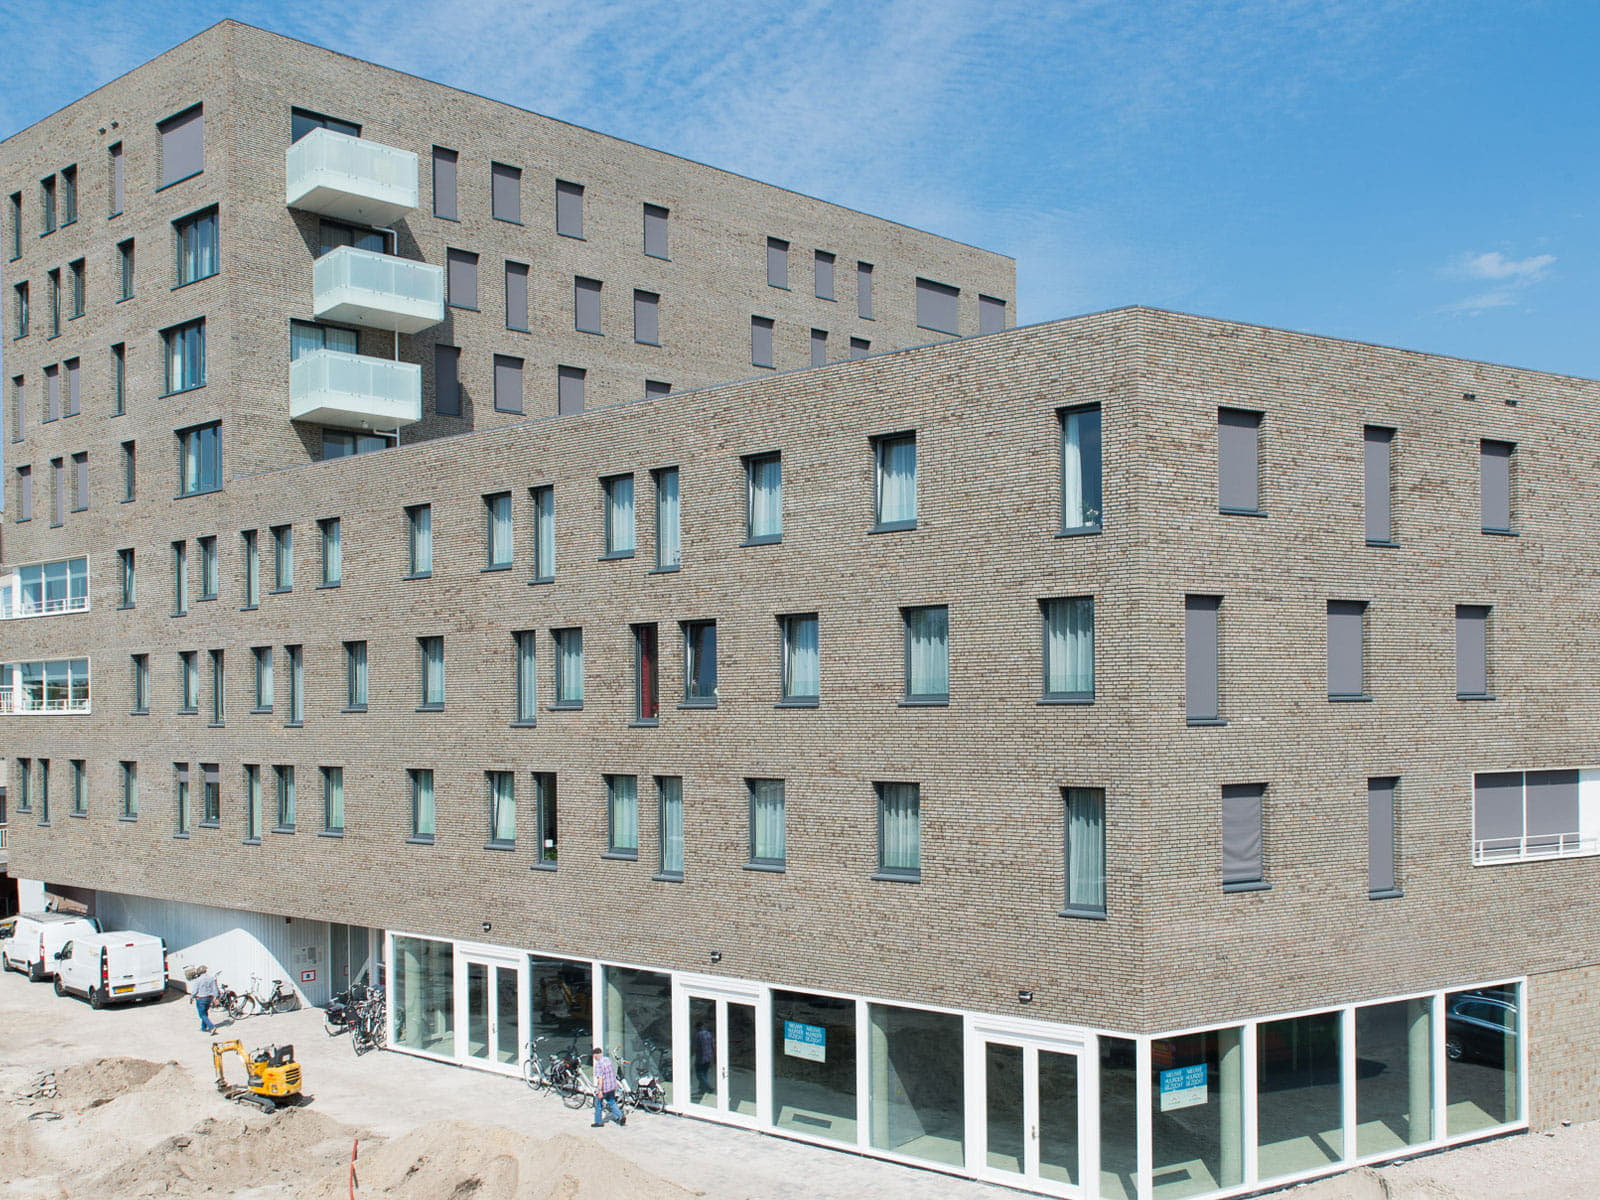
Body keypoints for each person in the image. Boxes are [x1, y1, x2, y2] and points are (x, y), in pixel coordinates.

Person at [590, 1047, 625, 1127]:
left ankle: (598, 1122)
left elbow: (600, 1079)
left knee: (598, 1104)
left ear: (595, 1055)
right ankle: (620, 1116)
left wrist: (600, 1091)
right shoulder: (607, 1060)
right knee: (612, 1102)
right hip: (612, 1086)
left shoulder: (599, 1064)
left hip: (604, 1088)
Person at [192, 965, 220, 1033]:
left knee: (202, 1014)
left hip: (201, 999)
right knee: (205, 1012)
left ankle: (212, 1027)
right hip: (209, 998)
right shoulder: (211, 978)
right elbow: (215, 989)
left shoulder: (198, 980)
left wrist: (191, 997)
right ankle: (203, 1028)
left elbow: (195, 990)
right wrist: (216, 998)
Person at [692, 1024, 714, 1095]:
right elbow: (712, 1045)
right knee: (704, 1073)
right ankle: (702, 1089)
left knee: (699, 1074)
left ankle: (709, 1087)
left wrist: (692, 1054)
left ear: (697, 1027)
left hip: (701, 1057)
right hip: (708, 1057)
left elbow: (695, 1047)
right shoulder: (708, 1034)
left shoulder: (698, 1035)